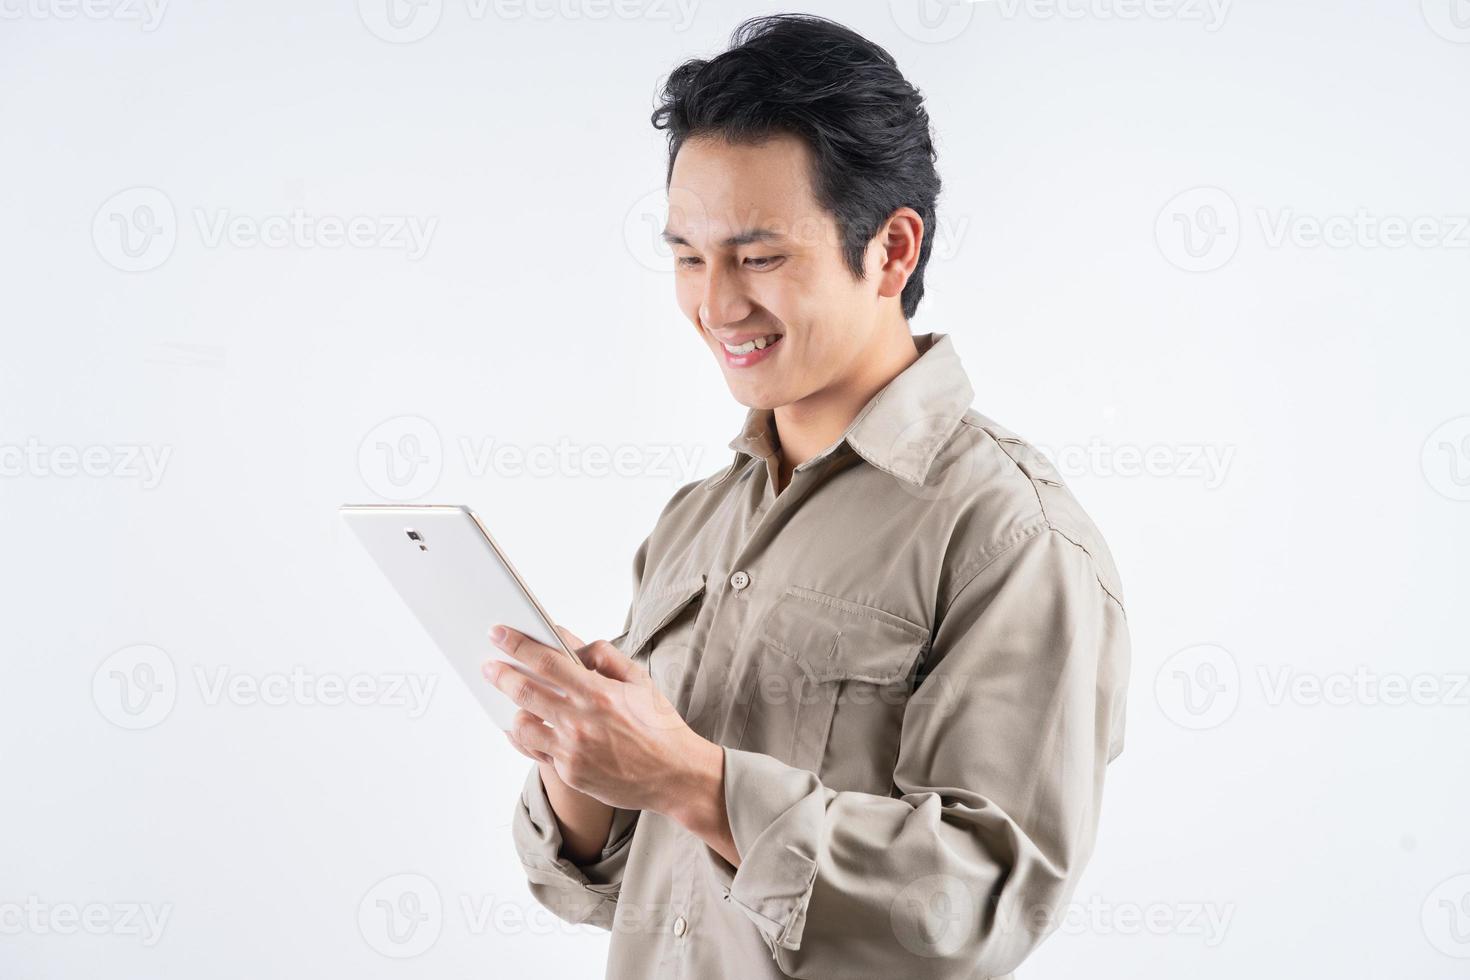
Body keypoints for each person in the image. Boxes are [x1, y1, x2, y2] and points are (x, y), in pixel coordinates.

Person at [486, 13, 1130, 978]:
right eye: (688, 256)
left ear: (892, 249)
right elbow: (626, 889)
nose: (716, 304)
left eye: (760, 256)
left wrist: (689, 778)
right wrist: (582, 760)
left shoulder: (1009, 537)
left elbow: (977, 907)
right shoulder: (695, 521)